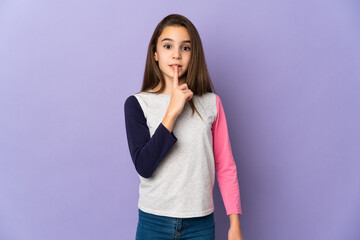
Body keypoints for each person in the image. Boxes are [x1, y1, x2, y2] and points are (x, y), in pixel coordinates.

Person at [124, 14, 244, 240]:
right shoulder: (137, 104)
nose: (176, 54)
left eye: (185, 48)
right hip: (154, 221)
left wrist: (234, 223)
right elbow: (144, 166)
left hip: (200, 224)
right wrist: (172, 111)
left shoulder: (211, 103)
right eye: (168, 45)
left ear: (193, 54)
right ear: (155, 54)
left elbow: (225, 165)